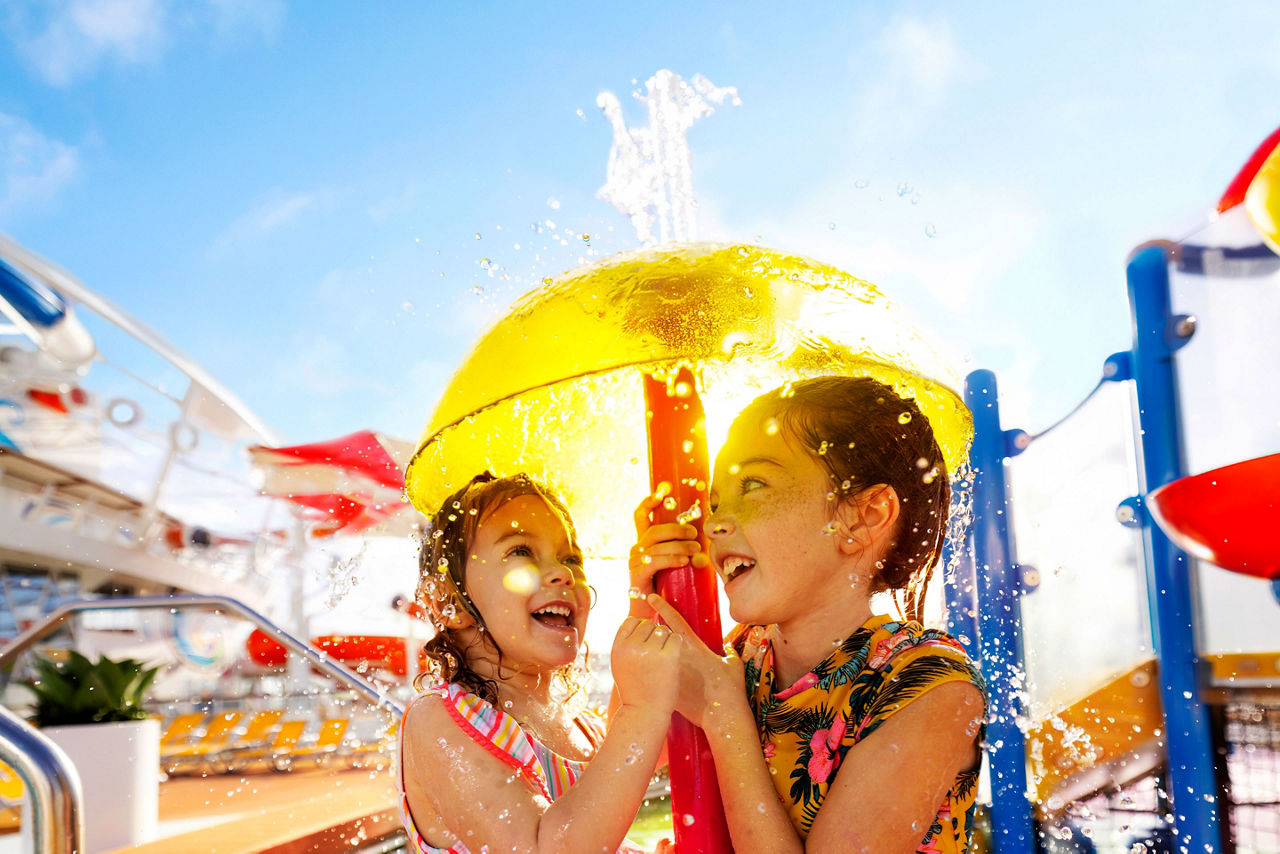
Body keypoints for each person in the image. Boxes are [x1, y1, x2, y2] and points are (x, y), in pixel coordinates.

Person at [630, 376, 987, 853]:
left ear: (864, 516)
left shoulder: (930, 686)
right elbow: (620, 763)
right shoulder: (738, 656)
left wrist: (722, 713)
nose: (712, 523)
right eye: (714, 502)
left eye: (752, 484)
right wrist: (648, 597)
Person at [399, 472, 678, 854]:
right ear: (451, 600)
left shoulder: (573, 721)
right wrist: (642, 708)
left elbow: (634, 757)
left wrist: (646, 598)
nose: (563, 572)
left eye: (571, 558)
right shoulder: (439, 721)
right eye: (521, 552)